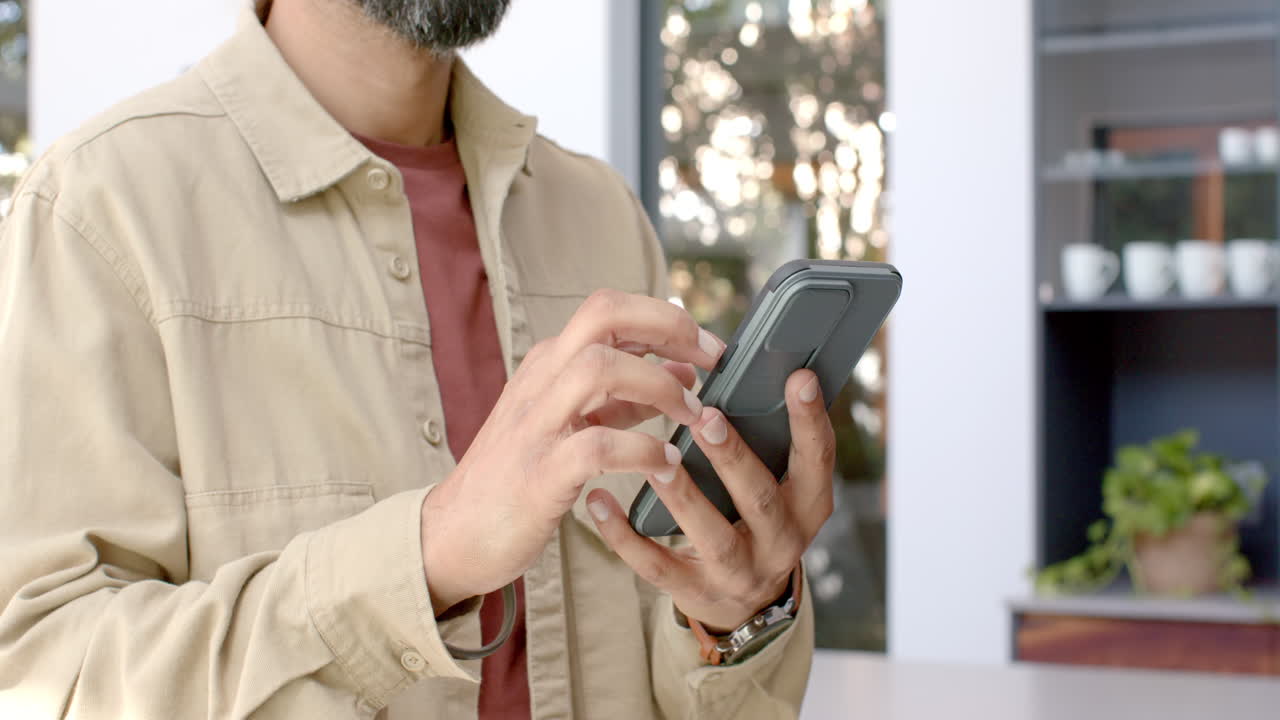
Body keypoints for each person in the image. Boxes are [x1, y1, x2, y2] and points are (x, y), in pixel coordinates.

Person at [0, 1, 834, 718]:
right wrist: (425, 559)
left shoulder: (601, 218)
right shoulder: (99, 210)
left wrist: (735, 617)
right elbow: (41, 678)